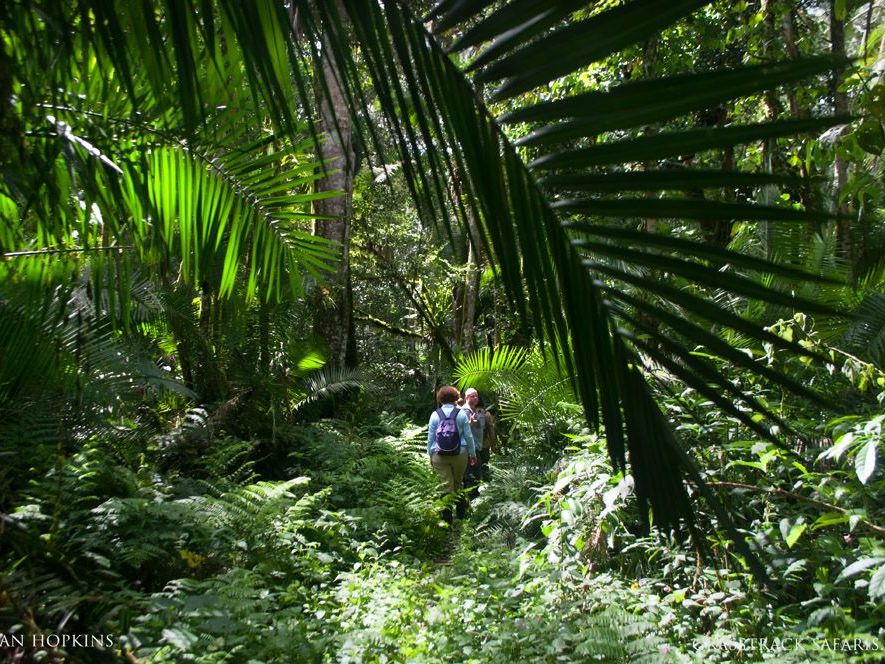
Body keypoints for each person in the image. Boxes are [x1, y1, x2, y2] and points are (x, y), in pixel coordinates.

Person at [427, 386, 477, 523]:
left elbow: (430, 437)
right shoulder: (461, 414)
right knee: (458, 482)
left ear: (440, 398)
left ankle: (447, 519)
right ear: (456, 398)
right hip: (459, 454)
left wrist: (430, 455)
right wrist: (472, 454)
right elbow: (468, 436)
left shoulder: (435, 414)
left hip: (439, 455)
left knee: (445, 485)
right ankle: (461, 515)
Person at [461, 387, 489, 487]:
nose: (476, 398)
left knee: (476, 474)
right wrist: (470, 424)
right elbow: (461, 430)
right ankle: (472, 498)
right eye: (473, 396)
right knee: (472, 475)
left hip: (476, 446)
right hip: (470, 448)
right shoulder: (465, 411)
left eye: (477, 396)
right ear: (467, 397)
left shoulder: (474, 410)